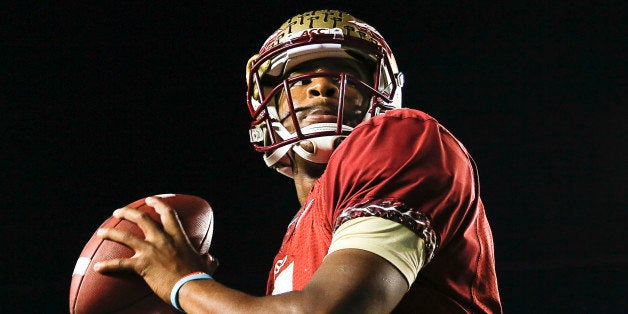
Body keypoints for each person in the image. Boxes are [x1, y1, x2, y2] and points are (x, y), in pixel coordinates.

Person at [94, 9, 502, 313]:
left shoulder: (403, 138)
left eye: (342, 75)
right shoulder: (294, 245)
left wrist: (185, 284)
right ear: (266, 108)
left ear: (381, 95)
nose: (321, 88)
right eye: (301, 80)